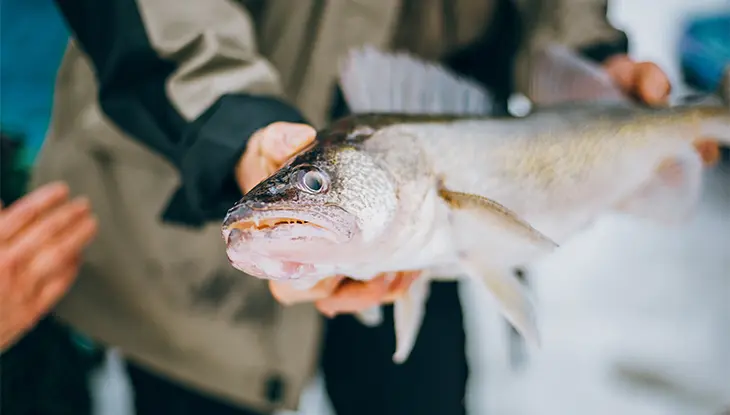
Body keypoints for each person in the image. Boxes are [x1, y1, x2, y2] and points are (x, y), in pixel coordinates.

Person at [36, 1, 671, 415]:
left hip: (422, 199)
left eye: (310, 187)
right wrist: (234, 128)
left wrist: (584, 56)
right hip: (183, 190)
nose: (305, 196)